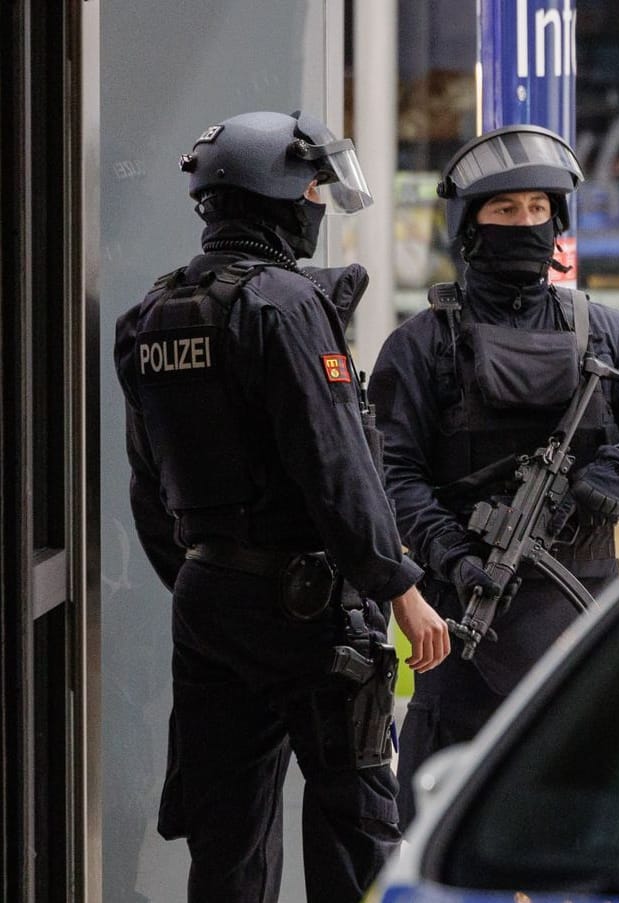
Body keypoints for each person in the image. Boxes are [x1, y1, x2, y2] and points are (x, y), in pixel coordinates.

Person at [113, 110, 451, 903]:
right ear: (275, 197)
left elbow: (147, 486)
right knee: (355, 832)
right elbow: (336, 468)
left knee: (226, 837)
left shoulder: (151, 315)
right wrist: (399, 587)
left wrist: (209, 573)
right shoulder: (287, 306)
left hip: (208, 603)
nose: (317, 206)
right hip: (312, 610)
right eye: (311, 190)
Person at [369, 124, 619, 827]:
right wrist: (453, 556)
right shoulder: (420, 347)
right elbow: (392, 476)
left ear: (558, 220)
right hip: (464, 631)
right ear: (470, 225)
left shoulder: (606, 333)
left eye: (537, 210)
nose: (524, 224)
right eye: (504, 209)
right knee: (448, 840)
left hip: (583, 625)